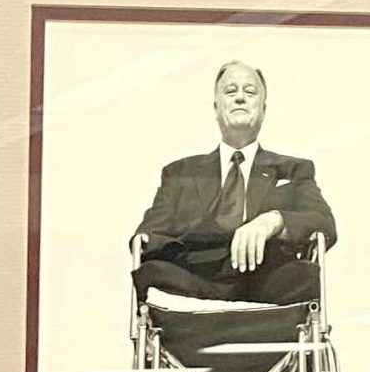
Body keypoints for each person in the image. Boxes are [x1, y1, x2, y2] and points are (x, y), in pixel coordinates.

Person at [133, 60, 337, 309]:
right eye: (231, 91)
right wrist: (194, 244)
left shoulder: (294, 169)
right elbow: (150, 235)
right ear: (216, 107)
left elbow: (324, 223)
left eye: (249, 92)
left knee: (304, 276)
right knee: (151, 273)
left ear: (263, 108)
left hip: (266, 280)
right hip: (192, 280)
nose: (240, 98)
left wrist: (273, 220)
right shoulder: (179, 173)